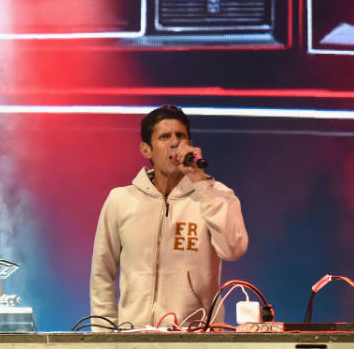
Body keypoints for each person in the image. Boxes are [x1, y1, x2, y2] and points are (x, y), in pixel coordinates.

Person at [89, 105, 248, 330]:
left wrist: (201, 183)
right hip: (133, 339)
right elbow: (101, 273)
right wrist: (104, 336)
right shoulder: (121, 200)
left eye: (180, 136)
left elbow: (233, 249)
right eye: (164, 137)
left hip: (197, 340)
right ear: (146, 149)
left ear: (190, 145)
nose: (175, 143)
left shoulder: (216, 195)